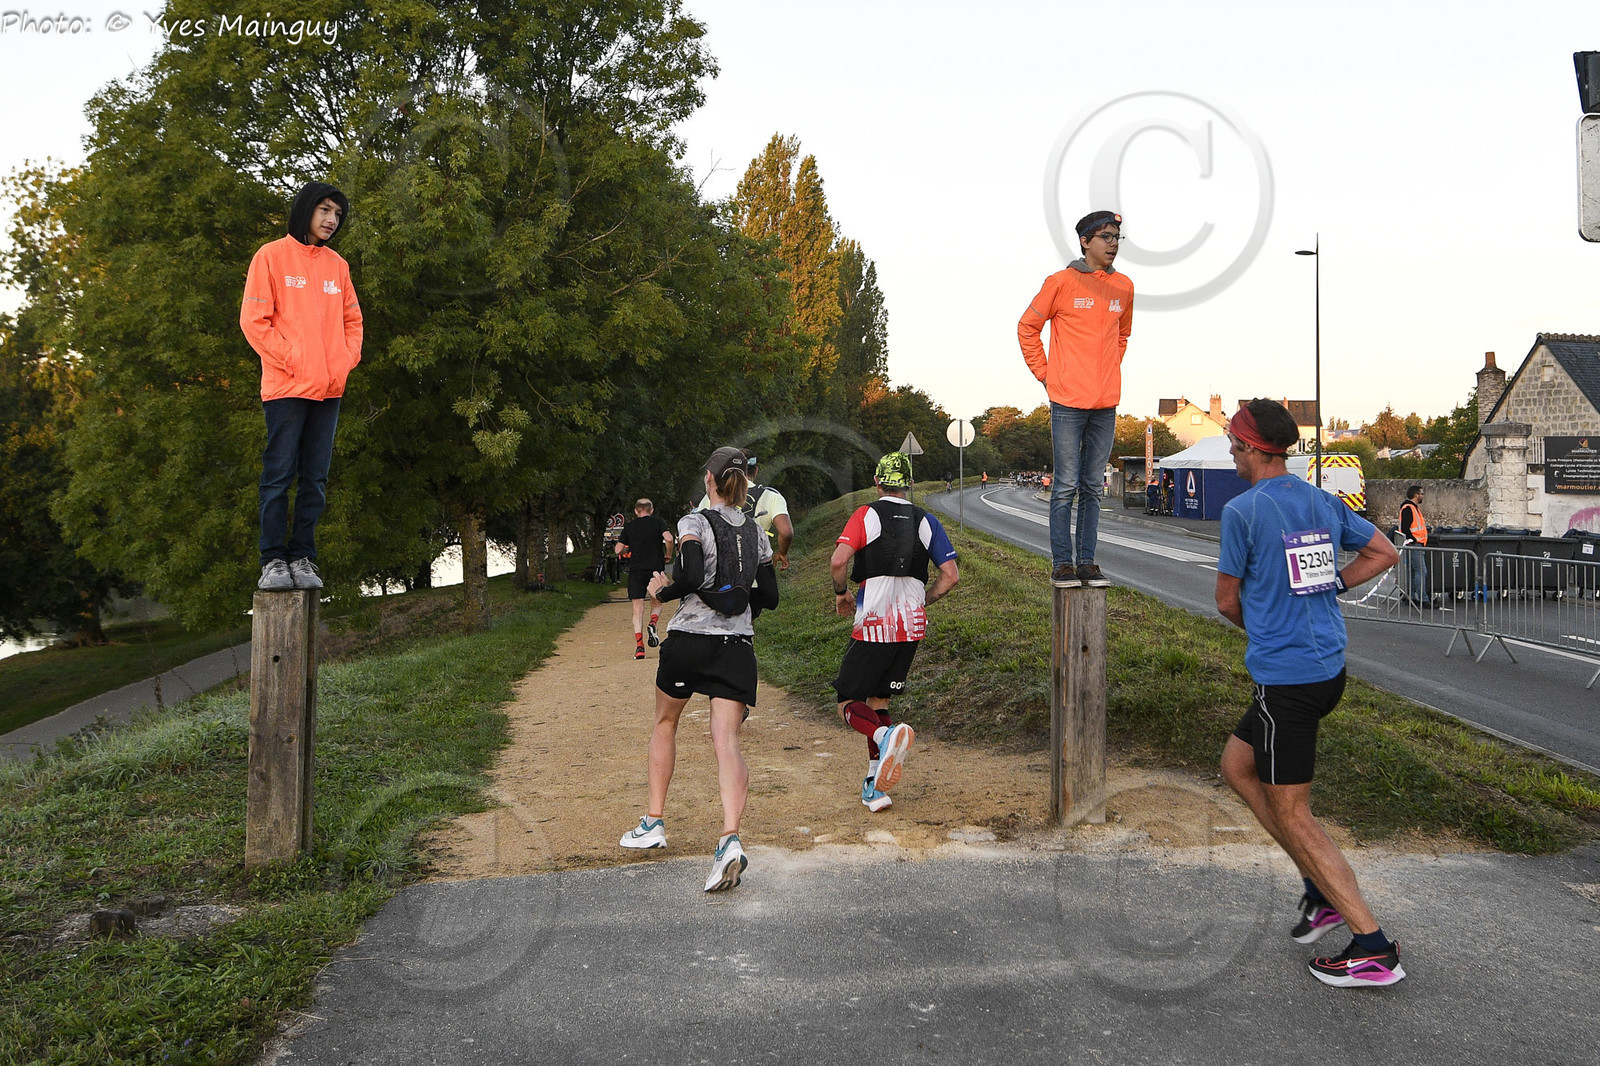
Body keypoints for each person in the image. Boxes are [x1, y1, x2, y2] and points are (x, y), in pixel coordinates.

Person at [1214, 398, 1405, 988]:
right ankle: (1319, 891)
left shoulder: (1242, 511)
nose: (1230, 452)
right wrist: (1331, 587)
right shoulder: (1321, 501)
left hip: (1287, 681)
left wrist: (1268, 629)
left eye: (1233, 443)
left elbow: (1226, 601)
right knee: (1237, 766)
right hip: (1326, 669)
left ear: (1250, 447)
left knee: (1294, 815)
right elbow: (1384, 552)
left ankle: (1373, 948)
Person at [619, 447, 779, 892]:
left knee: (665, 722)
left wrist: (662, 591)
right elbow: (770, 597)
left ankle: (653, 822)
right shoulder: (756, 532)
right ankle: (730, 838)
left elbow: (689, 575)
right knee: (727, 741)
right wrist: (736, 599)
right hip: (736, 646)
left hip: (689, 641)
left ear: (710, 479)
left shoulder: (694, 522)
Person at [242, 182, 363, 592]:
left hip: (329, 389)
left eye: (337, 214)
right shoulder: (271, 256)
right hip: (286, 387)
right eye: (324, 210)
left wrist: (343, 361)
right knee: (278, 476)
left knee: (316, 479)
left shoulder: (338, 266)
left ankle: (302, 557)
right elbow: (254, 322)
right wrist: (294, 360)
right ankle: (273, 560)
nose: (331, 220)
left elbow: (353, 322)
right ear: (305, 209)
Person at [829, 452, 960, 811]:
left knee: (847, 701)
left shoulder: (866, 514)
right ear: (910, 484)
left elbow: (839, 560)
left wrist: (841, 593)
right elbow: (951, 576)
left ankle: (885, 735)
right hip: (911, 627)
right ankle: (875, 787)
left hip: (873, 624)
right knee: (879, 700)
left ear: (877, 482)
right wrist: (923, 601)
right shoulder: (926, 520)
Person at [1017, 210, 1133, 589]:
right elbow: (1027, 327)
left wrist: (1109, 368)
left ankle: (1086, 562)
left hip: (1106, 403)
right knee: (1065, 484)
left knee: (1093, 487)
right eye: (1106, 237)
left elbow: (1122, 335)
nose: (1113, 244)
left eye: (1117, 237)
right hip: (1067, 401)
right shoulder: (1060, 282)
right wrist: (1046, 375)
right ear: (1085, 241)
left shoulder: (1124, 287)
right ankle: (1062, 563)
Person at [696, 454, 794, 570]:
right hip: (756, 570)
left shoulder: (714, 495)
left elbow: (698, 531)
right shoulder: (772, 496)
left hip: (720, 571)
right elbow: (786, 532)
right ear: (756, 471)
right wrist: (782, 553)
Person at [617, 499, 674, 659]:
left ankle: (640, 647)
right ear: (651, 510)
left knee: (637, 608)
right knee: (657, 601)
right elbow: (669, 538)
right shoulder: (658, 522)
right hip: (655, 570)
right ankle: (653, 622)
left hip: (636, 570)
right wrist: (668, 553)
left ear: (636, 511)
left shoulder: (630, 526)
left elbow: (618, 549)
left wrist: (627, 550)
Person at [1398, 486, 1430, 609]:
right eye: (1422, 494)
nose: (1423, 496)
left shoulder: (1412, 507)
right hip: (1414, 544)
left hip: (1414, 543)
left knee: (1412, 572)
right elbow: (1405, 528)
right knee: (1421, 571)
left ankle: (1410, 597)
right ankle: (1423, 599)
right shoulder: (1409, 508)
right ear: (1416, 495)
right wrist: (1414, 539)